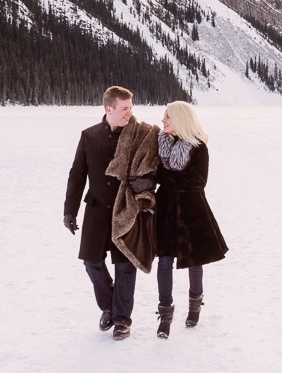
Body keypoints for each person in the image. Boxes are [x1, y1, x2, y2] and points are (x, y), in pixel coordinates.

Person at [63, 86, 138, 340]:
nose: (130, 112)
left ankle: (122, 320)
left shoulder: (136, 135)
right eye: (125, 108)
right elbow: (77, 174)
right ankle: (109, 305)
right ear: (109, 109)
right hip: (95, 209)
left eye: (130, 107)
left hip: (125, 211)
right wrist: (69, 211)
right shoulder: (89, 135)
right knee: (91, 261)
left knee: (125, 265)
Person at [151, 101, 228, 339]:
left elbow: (197, 182)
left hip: (192, 211)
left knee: (194, 261)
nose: (163, 120)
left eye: (167, 117)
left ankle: (195, 306)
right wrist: (165, 176)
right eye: (163, 116)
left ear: (181, 120)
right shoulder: (161, 143)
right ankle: (165, 316)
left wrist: (164, 176)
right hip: (165, 210)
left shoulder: (198, 146)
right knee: (164, 263)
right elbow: (157, 173)